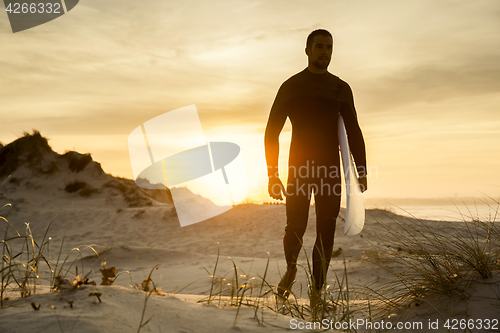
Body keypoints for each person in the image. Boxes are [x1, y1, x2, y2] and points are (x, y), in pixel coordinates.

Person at [264, 29, 367, 306]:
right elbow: (271, 132)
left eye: (329, 47)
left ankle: (317, 293)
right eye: (319, 46)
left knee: (326, 229)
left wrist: (362, 169)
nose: (325, 52)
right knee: (295, 225)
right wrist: (272, 175)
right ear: (307, 50)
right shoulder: (291, 86)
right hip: (298, 166)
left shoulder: (340, 88)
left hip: (330, 169)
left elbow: (354, 131)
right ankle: (290, 269)